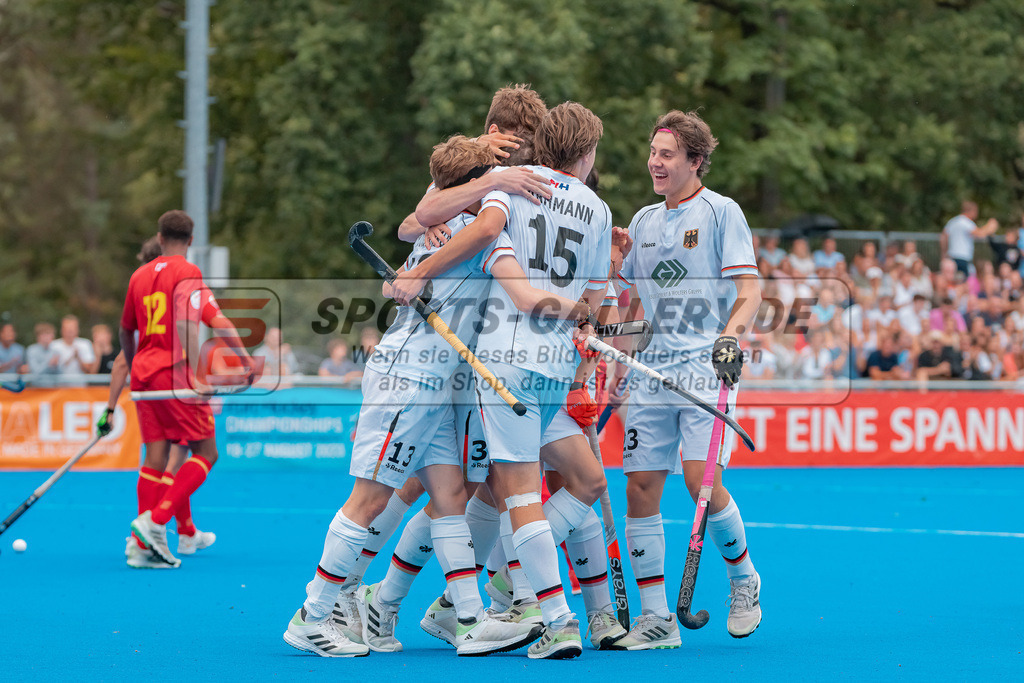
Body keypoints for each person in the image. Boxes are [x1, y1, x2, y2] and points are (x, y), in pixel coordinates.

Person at [286, 133, 596, 659]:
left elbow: (421, 223)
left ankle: (469, 621)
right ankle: (313, 615)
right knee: (371, 497)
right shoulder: (473, 231)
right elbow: (513, 283)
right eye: (491, 183)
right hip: (408, 376)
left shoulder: (456, 228)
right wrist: (583, 311)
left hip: (442, 384)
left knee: (451, 495)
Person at [391, 103, 612, 659]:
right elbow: (592, 299)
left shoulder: (511, 184)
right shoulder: (599, 209)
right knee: (496, 488)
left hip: (503, 361)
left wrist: (417, 269)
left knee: (515, 493)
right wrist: (583, 319)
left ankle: (552, 617)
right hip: (554, 364)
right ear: (586, 152)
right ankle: (504, 601)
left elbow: (446, 223)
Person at [609, 110, 763, 647]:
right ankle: (656, 620)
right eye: (653, 152)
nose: (655, 162)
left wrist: (731, 336)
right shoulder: (643, 221)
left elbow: (750, 291)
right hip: (652, 372)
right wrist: (617, 359)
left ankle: (743, 579)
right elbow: (625, 297)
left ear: (695, 161)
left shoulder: (722, 212)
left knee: (702, 484)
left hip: (705, 368)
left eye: (667, 154)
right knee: (639, 488)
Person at [123, 210, 255, 569]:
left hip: (144, 375)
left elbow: (125, 331)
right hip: (175, 375)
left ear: (160, 237)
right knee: (206, 452)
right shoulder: (189, 273)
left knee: (156, 457)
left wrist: (136, 367)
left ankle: (144, 546)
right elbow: (198, 324)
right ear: (191, 241)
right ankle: (155, 523)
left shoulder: (139, 276)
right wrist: (239, 364)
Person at [942, 201, 998, 277]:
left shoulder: (952, 221)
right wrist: (990, 226)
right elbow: (980, 234)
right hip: (963, 257)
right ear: (971, 211)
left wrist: (944, 253)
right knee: (964, 280)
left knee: (954, 279)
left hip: (951, 256)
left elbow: (943, 237)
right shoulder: (967, 222)